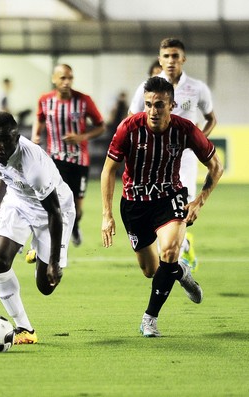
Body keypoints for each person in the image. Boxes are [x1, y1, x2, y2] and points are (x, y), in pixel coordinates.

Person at [101, 77, 223, 337]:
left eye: (159, 105)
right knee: (152, 271)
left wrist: (199, 200)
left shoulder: (185, 129)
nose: (153, 111)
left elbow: (216, 166)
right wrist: (106, 215)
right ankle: (181, 272)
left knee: (169, 251)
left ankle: (150, 318)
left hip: (170, 198)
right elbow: (108, 170)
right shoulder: (128, 128)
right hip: (134, 203)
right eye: (148, 105)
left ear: (171, 105)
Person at [0, 112, 75, 344]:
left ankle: (40, 250)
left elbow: (53, 212)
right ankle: (24, 328)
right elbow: (4, 174)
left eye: (5, 140)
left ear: (17, 138)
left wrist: (53, 262)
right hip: (18, 202)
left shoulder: (34, 166)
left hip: (54, 211)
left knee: (46, 285)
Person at [128, 38, 217, 271]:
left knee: (183, 207)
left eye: (175, 56)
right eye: (166, 56)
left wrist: (198, 143)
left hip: (184, 158)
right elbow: (131, 117)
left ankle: (180, 249)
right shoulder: (148, 87)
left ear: (183, 59)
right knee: (155, 208)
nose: (170, 61)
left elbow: (211, 118)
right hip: (154, 159)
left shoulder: (197, 88)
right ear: (160, 59)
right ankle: (183, 246)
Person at [31, 64, 105, 247]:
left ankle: (75, 226)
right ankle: (53, 242)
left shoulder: (83, 100)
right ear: (54, 79)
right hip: (54, 160)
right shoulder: (45, 100)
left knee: (77, 209)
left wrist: (82, 137)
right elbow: (39, 119)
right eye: (62, 78)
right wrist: (35, 135)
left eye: (70, 78)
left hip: (79, 161)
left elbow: (101, 126)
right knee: (54, 203)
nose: (66, 82)